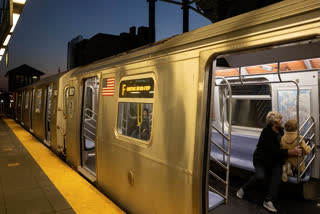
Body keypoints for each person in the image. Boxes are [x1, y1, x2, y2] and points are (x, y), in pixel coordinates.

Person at [236, 112, 302, 213]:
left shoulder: (280, 130)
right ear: (274, 123)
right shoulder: (266, 132)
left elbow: (285, 142)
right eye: (280, 120)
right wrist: (291, 152)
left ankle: (269, 200)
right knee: (260, 176)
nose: (282, 121)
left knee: (277, 173)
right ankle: (244, 189)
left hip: (274, 160)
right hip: (261, 159)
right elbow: (273, 151)